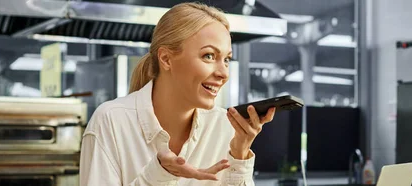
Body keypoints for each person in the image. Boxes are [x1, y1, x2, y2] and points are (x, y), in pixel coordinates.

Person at [79, 2, 276, 186]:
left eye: (226, 59)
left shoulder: (224, 127)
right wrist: (157, 174)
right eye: (209, 56)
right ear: (166, 59)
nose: (224, 73)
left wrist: (240, 154)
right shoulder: (111, 122)